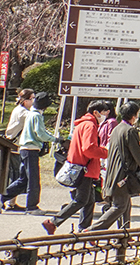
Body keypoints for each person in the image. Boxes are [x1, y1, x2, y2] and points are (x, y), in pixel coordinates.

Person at [41, 100, 110, 235]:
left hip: (79, 166)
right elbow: (88, 149)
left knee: (89, 200)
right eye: (104, 113)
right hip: (85, 168)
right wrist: (105, 152)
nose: (105, 115)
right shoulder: (90, 125)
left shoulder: (81, 124)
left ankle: (84, 228)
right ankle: (54, 222)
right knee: (81, 200)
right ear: (96, 112)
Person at [92, 102, 140, 231]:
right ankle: (92, 230)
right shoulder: (130, 131)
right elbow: (137, 155)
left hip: (113, 172)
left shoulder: (117, 129)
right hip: (122, 174)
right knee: (119, 206)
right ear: (133, 116)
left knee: (126, 205)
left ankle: (124, 234)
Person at [1, 92, 55, 213]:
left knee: (23, 180)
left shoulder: (30, 113)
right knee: (33, 180)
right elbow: (40, 134)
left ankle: (2, 198)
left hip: (24, 149)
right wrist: (55, 139)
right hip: (31, 149)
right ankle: (32, 207)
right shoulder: (35, 115)